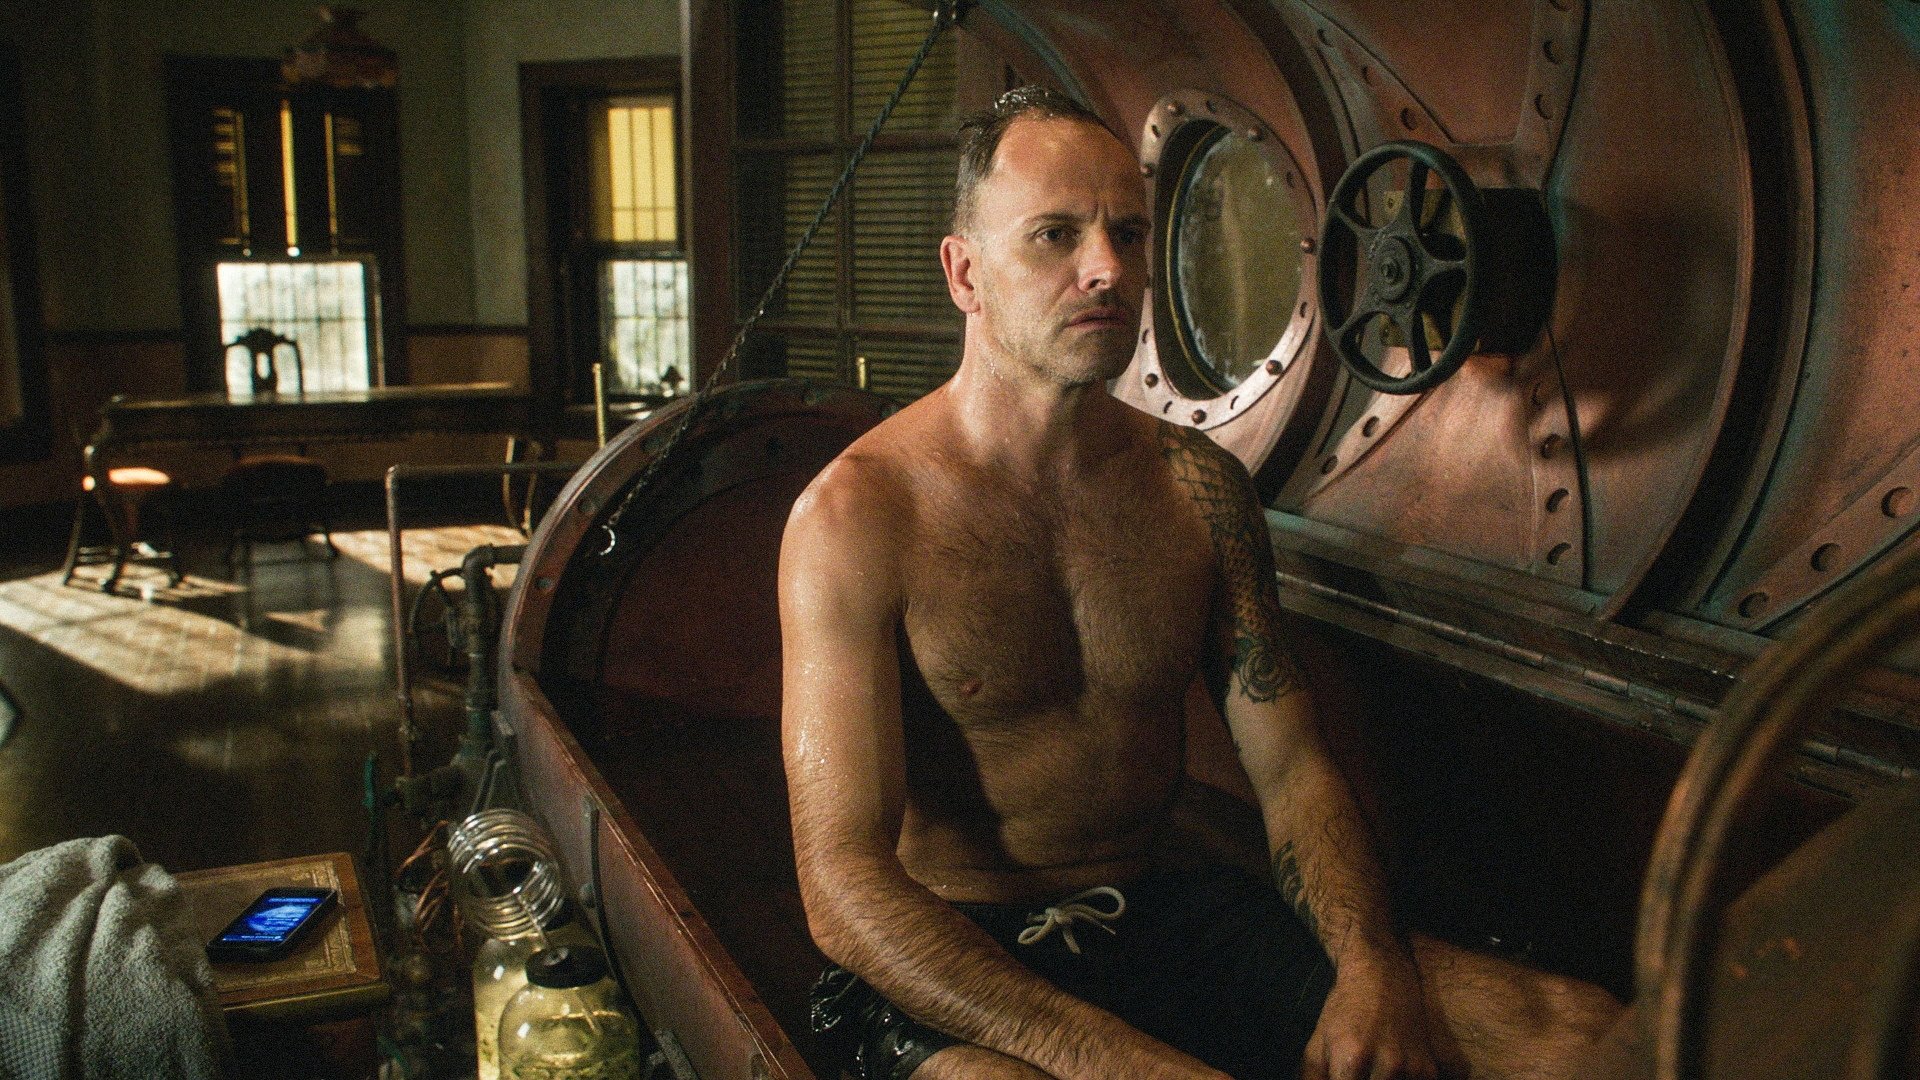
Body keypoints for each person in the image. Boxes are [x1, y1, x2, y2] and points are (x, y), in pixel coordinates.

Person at [777, 86, 1621, 1080]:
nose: (1107, 268)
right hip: (960, 949)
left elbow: (1293, 767)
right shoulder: (857, 516)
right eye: (1056, 235)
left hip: (1159, 909)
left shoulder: (1199, 491)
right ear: (965, 273)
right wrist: (1128, 1065)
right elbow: (842, 882)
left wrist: (1369, 970)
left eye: (1129, 235)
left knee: (1576, 1032)